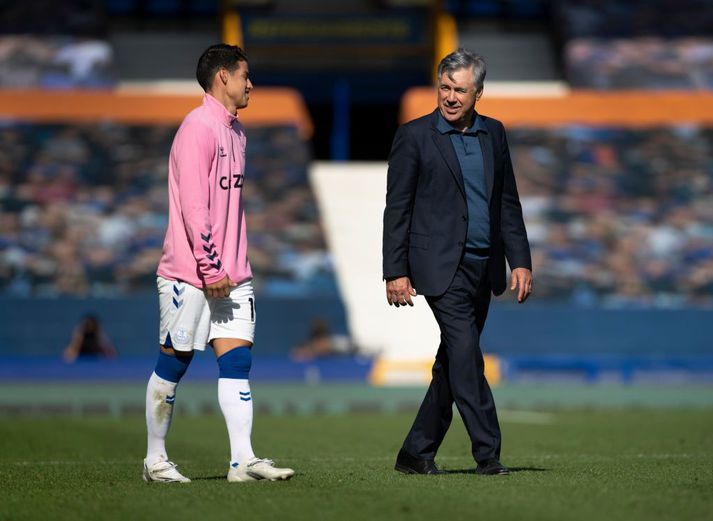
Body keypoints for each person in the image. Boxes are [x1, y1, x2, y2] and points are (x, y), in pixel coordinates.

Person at [143, 44, 294, 484]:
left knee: (237, 363)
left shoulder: (237, 131)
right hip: (191, 274)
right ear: (222, 77)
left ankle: (242, 461)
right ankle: (155, 460)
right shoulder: (198, 128)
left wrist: (226, 267)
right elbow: (195, 207)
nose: (251, 83)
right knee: (174, 362)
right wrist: (210, 269)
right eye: (246, 75)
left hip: (232, 274)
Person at [382, 48, 533, 476]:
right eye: (444, 88)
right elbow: (398, 208)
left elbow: (507, 202)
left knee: (452, 362)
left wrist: (519, 260)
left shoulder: (494, 134)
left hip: (484, 268)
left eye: (460, 90)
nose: (450, 97)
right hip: (439, 268)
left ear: (478, 93)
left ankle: (415, 452)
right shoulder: (413, 136)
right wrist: (395, 270)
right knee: (467, 356)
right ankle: (488, 453)